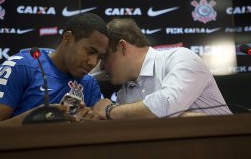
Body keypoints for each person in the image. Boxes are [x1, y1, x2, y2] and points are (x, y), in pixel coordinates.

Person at [0, 13, 109, 128]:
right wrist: (31, 118)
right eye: (90, 51)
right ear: (68, 38)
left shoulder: (89, 83)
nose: (93, 62)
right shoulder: (19, 67)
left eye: (100, 57)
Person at [93, 18, 232, 120]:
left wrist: (110, 110)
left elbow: (166, 105)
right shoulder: (124, 95)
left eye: (104, 57)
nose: (102, 65)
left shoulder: (180, 58)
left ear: (122, 47)